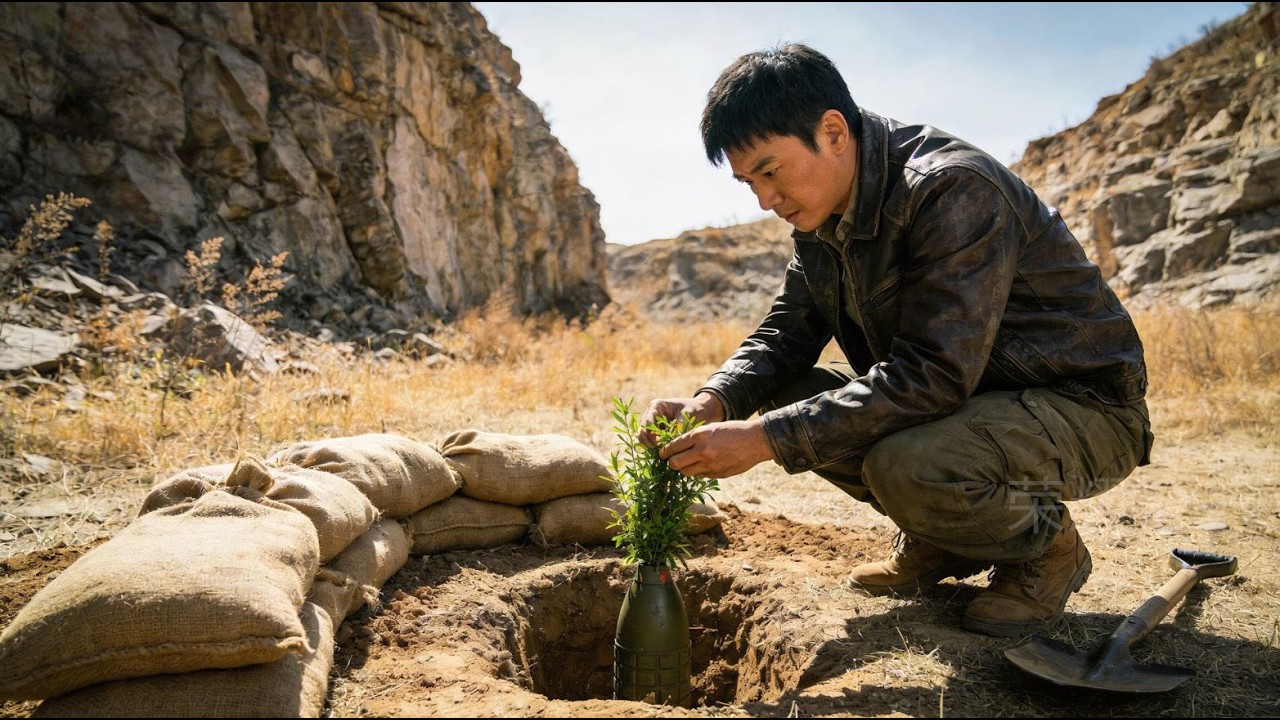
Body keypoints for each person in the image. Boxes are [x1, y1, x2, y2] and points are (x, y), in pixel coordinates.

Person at [641, 42, 1153, 638]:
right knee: (784, 394)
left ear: (833, 131)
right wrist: (715, 402)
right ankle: (949, 541)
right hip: (970, 409)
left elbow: (934, 374)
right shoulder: (822, 213)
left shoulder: (951, 189)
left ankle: (1046, 551)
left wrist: (762, 441)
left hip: (1083, 410)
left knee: (906, 463)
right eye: (748, 181)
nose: (763, 199)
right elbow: (786, 334)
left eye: (771, 171)